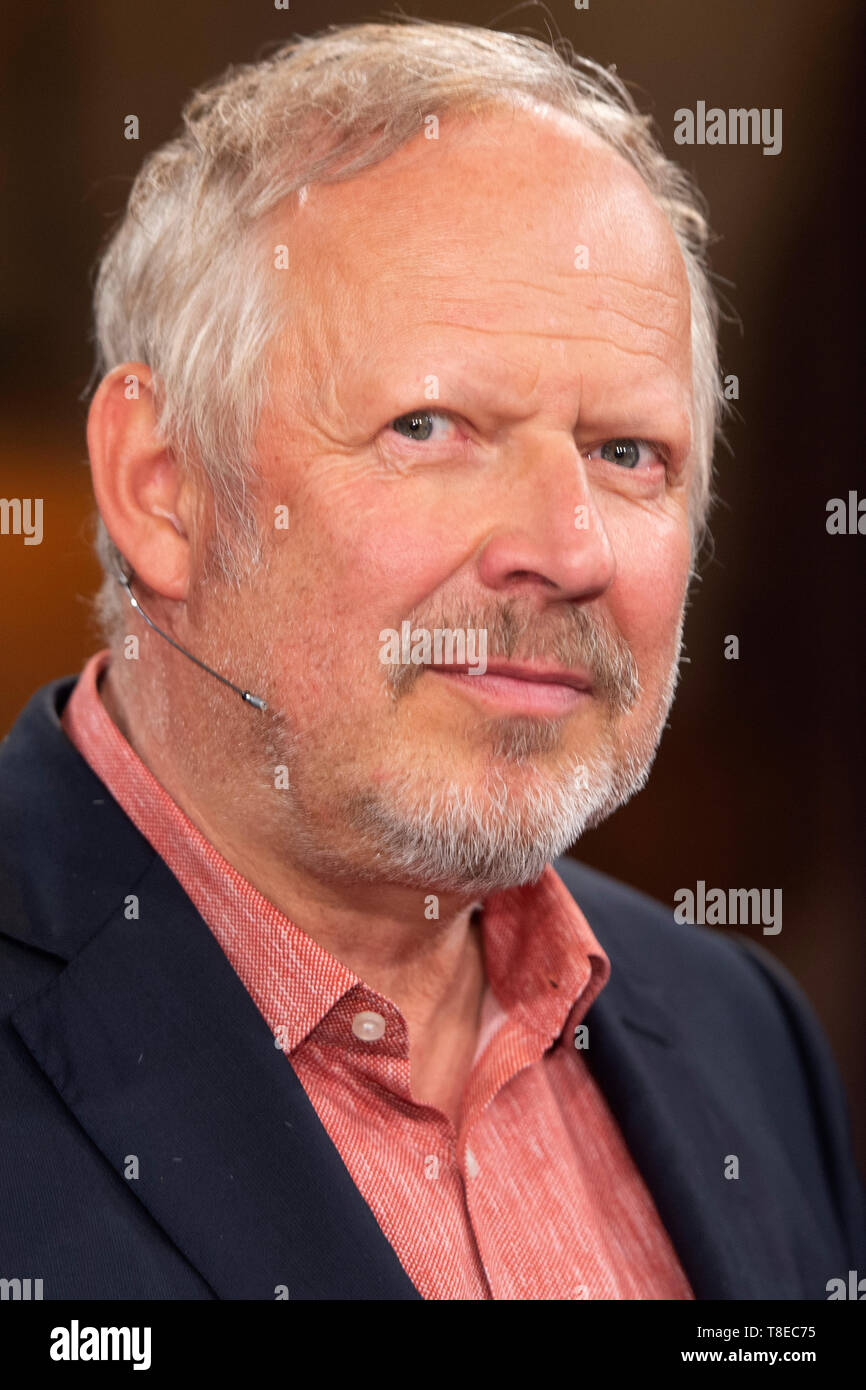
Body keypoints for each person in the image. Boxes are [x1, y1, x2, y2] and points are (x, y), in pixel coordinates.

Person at [1, 18, 863, 1301]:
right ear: (161, 485)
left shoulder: (744, 1033)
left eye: (627, 453)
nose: (565, 548)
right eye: (430, 426)